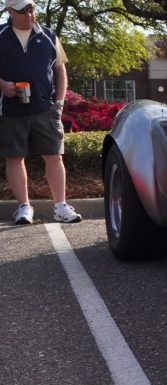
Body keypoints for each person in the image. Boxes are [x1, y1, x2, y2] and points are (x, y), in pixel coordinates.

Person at [0, 0, 80, 224]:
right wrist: (2, 85)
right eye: (22, 10)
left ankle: (61, 206)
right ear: (9, 11)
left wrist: (60, 103)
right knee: (15, 158)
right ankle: (24, 207)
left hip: (46, 108)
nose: (29, 14)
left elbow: (60, 71)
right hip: (10, 110)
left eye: (31, 9)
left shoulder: (49, 35)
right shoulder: (1, 34)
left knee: (54, 156)